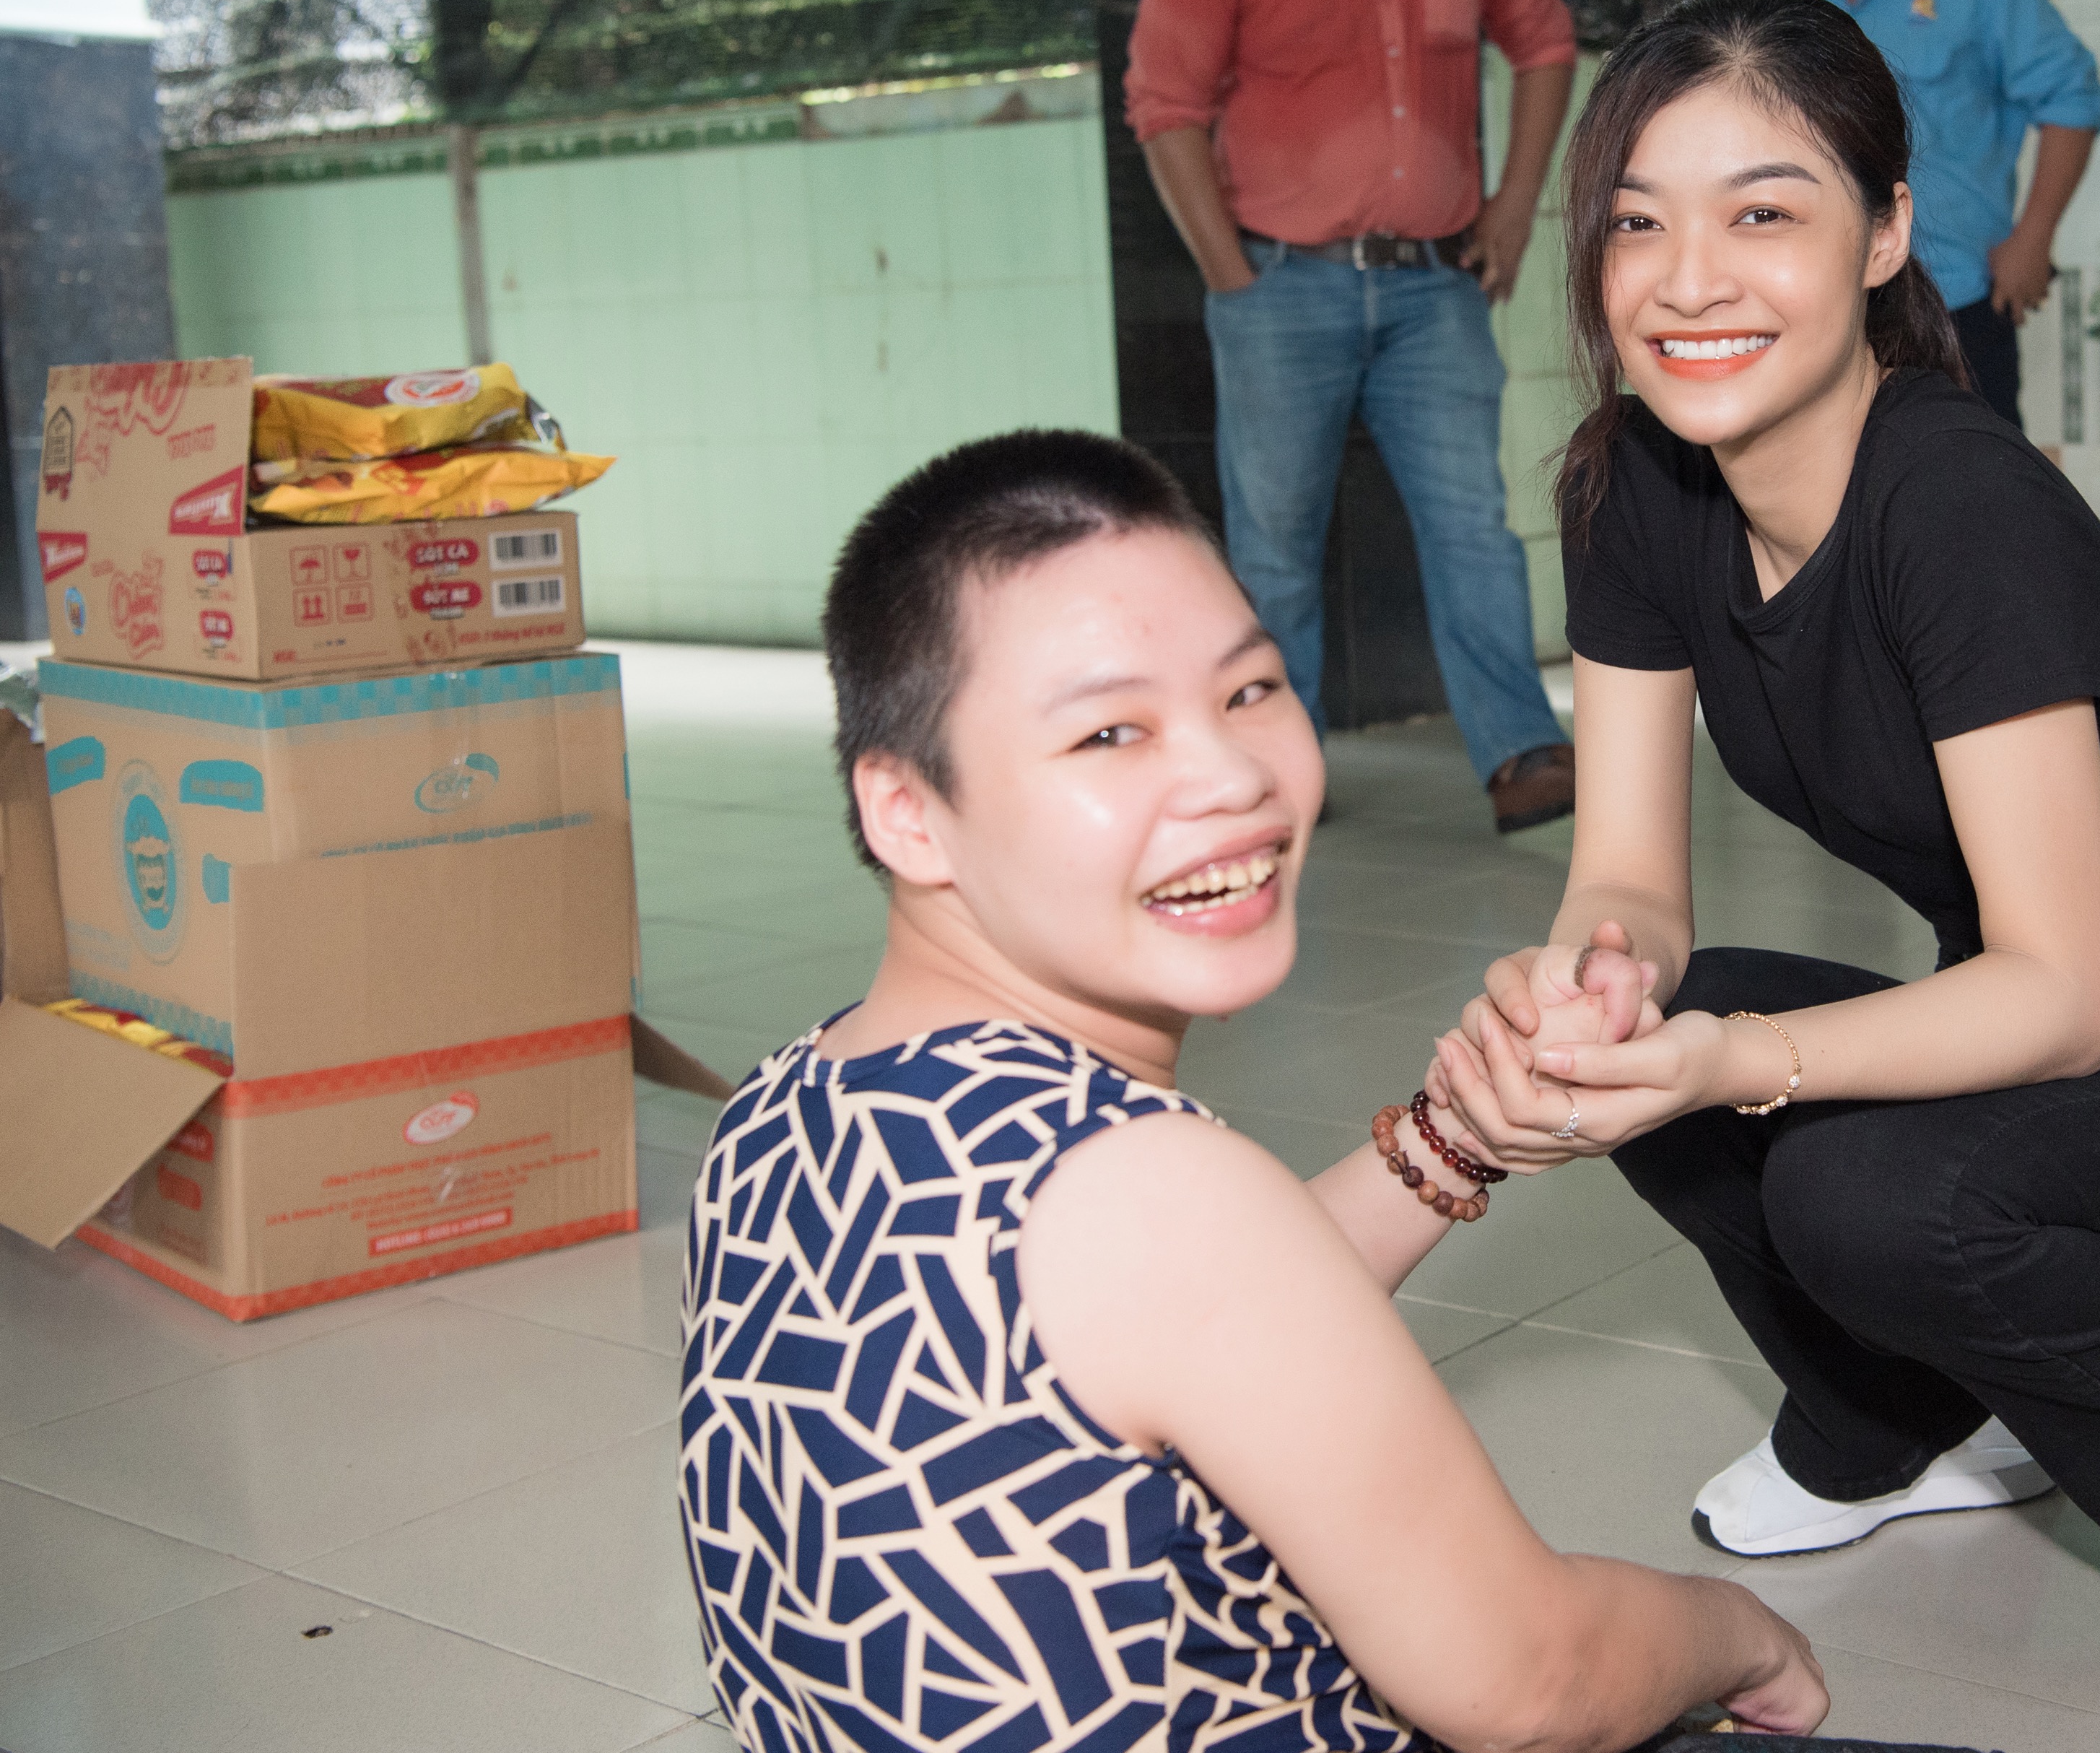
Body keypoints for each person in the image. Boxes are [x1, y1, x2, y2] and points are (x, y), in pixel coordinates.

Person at [1428, 0, 2100, 1715]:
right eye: (1637, 225)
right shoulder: (1631, 488)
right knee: (1666, 1032)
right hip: (2064, 1038)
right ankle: (1894, 1415)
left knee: (1849, 1174)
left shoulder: (1953, 500)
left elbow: (2059, 993)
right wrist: (1592, 987)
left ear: (1885, 232)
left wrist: (1736, 1058)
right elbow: (1630, 879)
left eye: (1761, 213)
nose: (1686, 282)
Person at [675, 430, 1853, 1752]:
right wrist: (1745, 1633)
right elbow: (1531, 1683)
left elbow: (1176, 1317)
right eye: (1109, 731)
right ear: (906, 810)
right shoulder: (1159, 1199)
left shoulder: (782, 1102)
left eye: (1249, 690)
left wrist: (1456, 1134)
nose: (1234, 778)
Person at [1128, 0, 1578, 835]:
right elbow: (1163, 105)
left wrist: (1514, 204)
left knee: (1473, 525)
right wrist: (1230, 276)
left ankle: (1522, 753)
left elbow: (1544, 43)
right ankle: (1277, 772)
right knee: (1274, 548)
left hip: (1436, 288)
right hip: (1280, 287)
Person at [1766, 0, 2100, 430]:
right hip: (1820, 304)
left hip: (1954, 301)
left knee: (1972, 484)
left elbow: (2072, 99)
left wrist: (2033, 237)